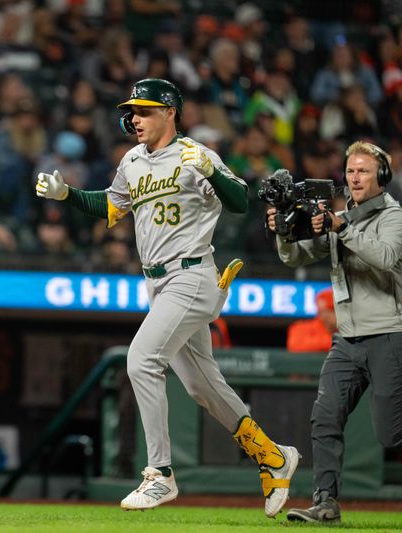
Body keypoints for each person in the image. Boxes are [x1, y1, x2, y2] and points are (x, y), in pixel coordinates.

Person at [35, 78, 300, 516]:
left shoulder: (196, 155)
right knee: (201, 386)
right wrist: (68, 195)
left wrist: (213, 171)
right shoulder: (133, 160)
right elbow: (111, 205)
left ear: (169, 112)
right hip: (157, 282)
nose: (134, 118)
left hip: (192, 275)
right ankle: (273, 456)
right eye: (132, 112)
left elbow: (240, 202)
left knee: (140, 359)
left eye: (143, 110)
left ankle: (159, 474)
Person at [267, 141, 402, 523]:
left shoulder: (394, 216)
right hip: (346, 339)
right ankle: (326, 502)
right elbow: (295, 256)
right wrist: (284, 228)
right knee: (325, 417)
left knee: (391, 435)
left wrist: (340, 226)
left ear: (382, 177)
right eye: (351, 171)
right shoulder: (338, 216)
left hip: (390, 334)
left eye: (363, 170)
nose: (355, 177)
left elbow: (386, 257)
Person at [286, 288, 337, 353]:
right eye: (333, 311)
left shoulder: (350, 330)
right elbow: (295, 345)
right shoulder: (301, 328)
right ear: (323, 312)